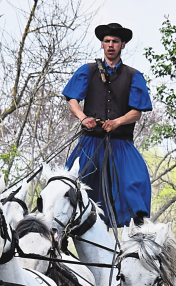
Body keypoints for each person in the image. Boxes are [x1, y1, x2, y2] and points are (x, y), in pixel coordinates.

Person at [61, 21, 153, 227]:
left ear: (123, 45)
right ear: (102, 45)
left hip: (120, 144)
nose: (111, 45)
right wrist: (84, 118)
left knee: (134, 183)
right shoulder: (88, 70)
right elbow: (72, 100)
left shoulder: (134, 76)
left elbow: (137, 112)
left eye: (115, 41)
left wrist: (118, 122)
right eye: (107, 41)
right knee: (69, 186)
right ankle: (60, 236)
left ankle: (138, 235)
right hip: (90, 143)